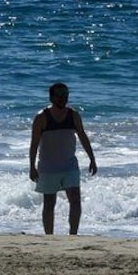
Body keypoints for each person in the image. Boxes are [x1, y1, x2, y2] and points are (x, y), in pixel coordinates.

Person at [29, 82, 97, 235]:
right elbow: (34, 144)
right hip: (48, 167)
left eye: (65, 95)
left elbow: (83, 137)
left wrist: (92, 158)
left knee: (75, 200)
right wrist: (32, 166)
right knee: (49, 203)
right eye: (59, 95)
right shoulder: (41, 117)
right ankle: (49, 237)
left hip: (69, 166)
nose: (63, 98)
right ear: (51, 97)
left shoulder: (73, 115)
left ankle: (73, 234)